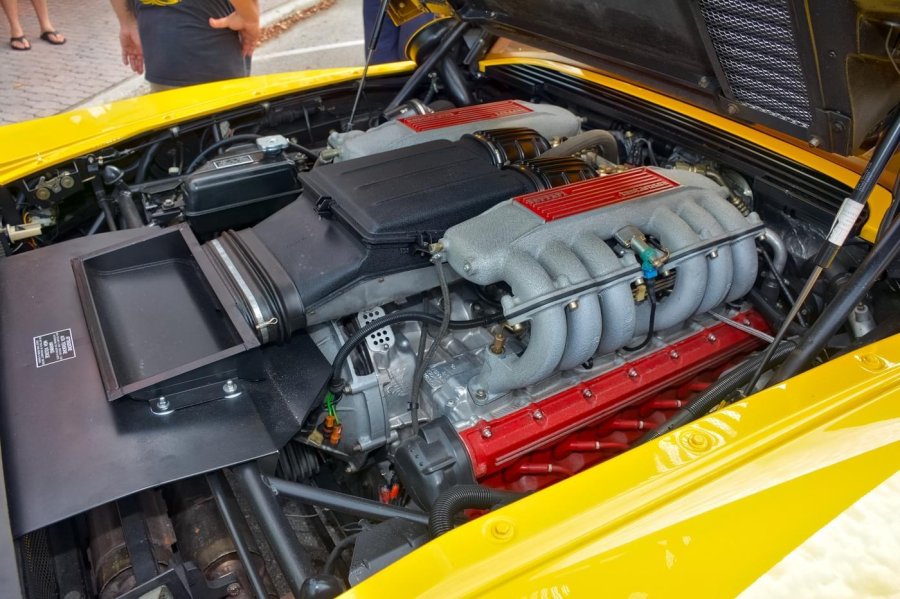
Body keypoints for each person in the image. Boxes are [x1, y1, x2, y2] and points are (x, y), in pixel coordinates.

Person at [110, 0, 259, 92]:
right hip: (208, 49)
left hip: (161, 51)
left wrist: (127, 22)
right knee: (226, 128)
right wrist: (249, 18)